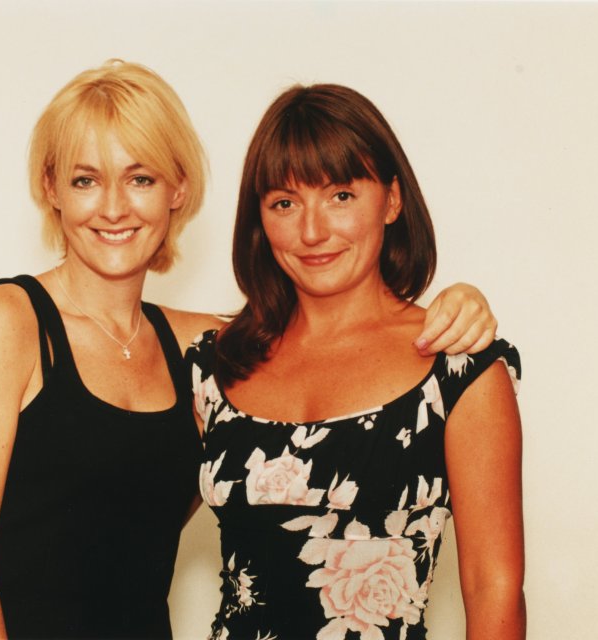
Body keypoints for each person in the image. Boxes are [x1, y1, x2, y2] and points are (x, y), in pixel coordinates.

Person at [0, 60, 500, 639]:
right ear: (51, 189)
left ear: (178, 189)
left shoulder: (208, 350)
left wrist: (459, 300)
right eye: (85, 179)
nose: (113, 207)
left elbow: (330, 334)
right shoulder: (6, 322)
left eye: (139, 178)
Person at [186, 84, 524, 640]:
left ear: (392, 200)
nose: (312, 230)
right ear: (259, 219)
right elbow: (130, 534)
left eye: (340, 195)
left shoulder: (460, 367)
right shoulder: (215, 364)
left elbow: (495, 590)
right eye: (284, 203)